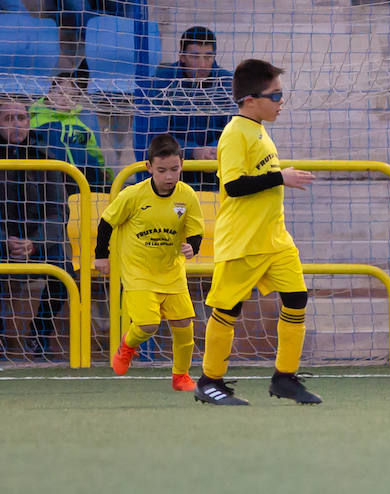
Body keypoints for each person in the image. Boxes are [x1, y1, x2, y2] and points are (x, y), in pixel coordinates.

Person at [194, 58, 320, 406]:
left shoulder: (260, 129)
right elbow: (233, 186)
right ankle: (209, 381)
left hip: (275, 239)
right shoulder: (235, 133)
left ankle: (284, 378)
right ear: (250, 100)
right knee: (227, 309)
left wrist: (280, 176)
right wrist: (282, 176)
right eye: (275, 96)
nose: (281, 102)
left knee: (296, 299)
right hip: (243, 241)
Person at [94, 134, 203, 391]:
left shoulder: (187, 196)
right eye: (162, 170)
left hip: (171, 271)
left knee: (184, 325)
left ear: (182, 165)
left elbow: (195, 229)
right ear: (149, 167)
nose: (169, 176)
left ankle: (181, 377)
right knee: (147, 325)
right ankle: (128, 345)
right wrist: (101, 255)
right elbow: (106, 223)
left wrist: (193, 247)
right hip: (138, 272)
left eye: (174, 169)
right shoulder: (133, 195)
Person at [0, 97, 70, 357]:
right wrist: (5, 240)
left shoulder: (47, 160)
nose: (17, 125)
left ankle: (40, 333)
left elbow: (59, 212)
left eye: (22, 118)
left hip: (36, 244)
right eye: (9, 119)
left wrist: (35, 243)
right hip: (3, 243)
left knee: (64, 266)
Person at [135, 26, 234, 191]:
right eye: (195, 56)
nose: (202, 64)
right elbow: (156, 136)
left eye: (208, 57)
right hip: (172, 167)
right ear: (182, 57)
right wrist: (193, 152)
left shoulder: (227, 83)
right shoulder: (161, 82)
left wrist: (215, 150)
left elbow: (235, 129)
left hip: (217, 166)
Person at [30, 71, 114, 192]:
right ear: (50, 94)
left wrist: (104, 170)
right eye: (61, 93)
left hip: (83, 180)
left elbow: (94, 152)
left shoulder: (82, 127)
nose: (66, 98)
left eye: (72, 96)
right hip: (51, 180)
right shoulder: (36, 122)